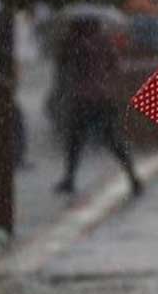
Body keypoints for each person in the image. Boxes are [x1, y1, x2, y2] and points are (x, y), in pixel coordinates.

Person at [53, 18, 142, 196]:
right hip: (104, 97)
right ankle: (133, 177)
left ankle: (70, 179)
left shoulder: (75, 43)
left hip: (83, 98)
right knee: (113, 140)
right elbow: (114, 65)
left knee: (75, 141)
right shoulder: (103, 41)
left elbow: (63, 63)